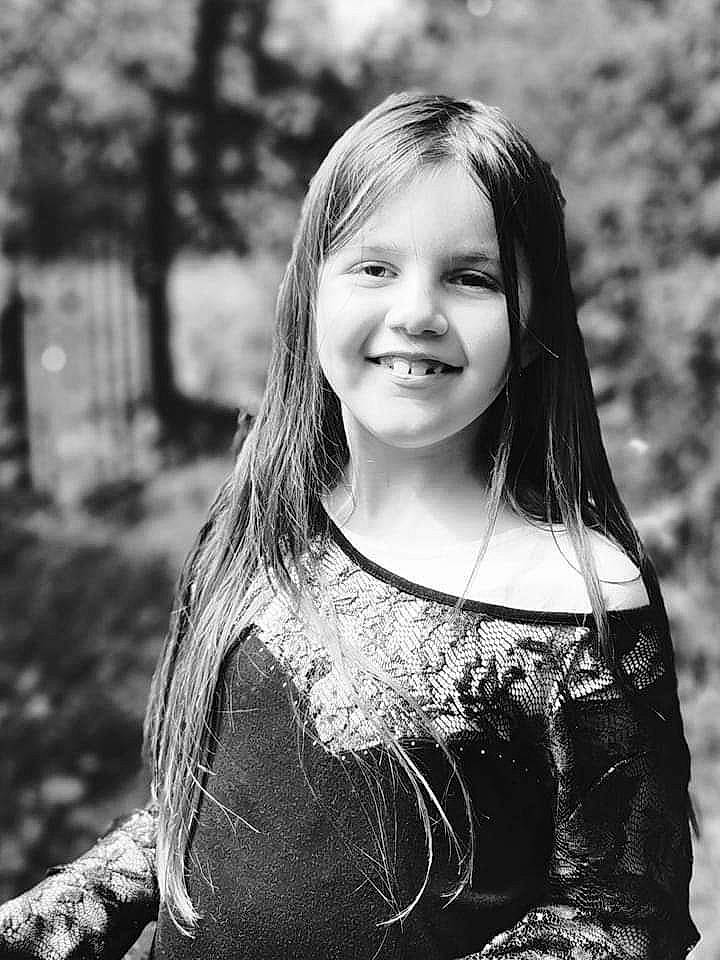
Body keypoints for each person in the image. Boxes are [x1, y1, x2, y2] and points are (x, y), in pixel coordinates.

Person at [0, 91, 699, 960]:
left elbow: (619, 916)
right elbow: (181, 824)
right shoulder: (257, 534)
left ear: (530, 330)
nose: (416, 311)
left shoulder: (573, 594)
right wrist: (48, 921)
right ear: (309, 297)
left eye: (471, 277)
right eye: (374, 267)